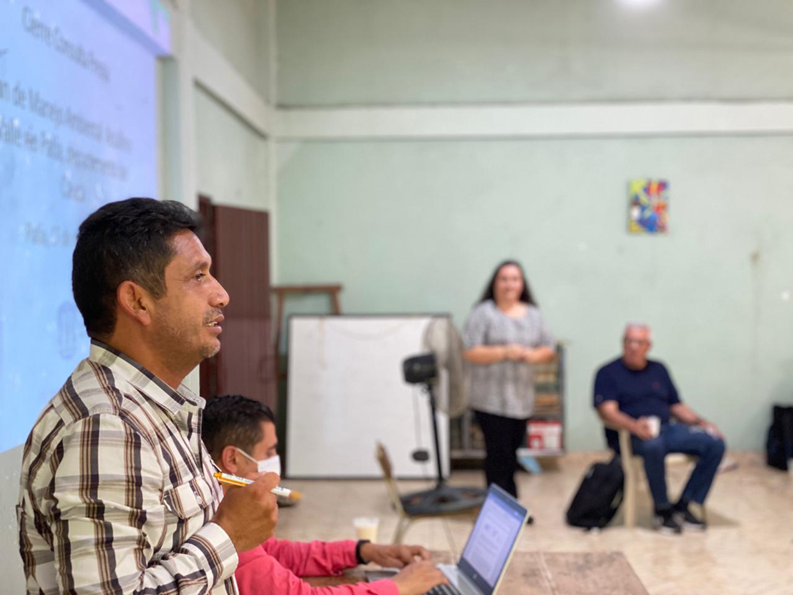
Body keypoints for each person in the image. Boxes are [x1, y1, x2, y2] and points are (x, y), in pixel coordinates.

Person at [17, 198, 279, 594]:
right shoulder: (108, 426)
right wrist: (229, 534)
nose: (221, 295)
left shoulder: (153, 408)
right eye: (198, 277)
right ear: (137, 301)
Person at [202, 395, 448, 595]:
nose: (275, 462)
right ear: (232, 459)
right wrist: (398, 587)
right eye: (270, 451)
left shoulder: (221, 508)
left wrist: (363, 551)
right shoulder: (224, 529)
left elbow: (276, 553)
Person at [594, 323, 726, 534]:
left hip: (666, 429)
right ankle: (662, 510)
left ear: (648, 346)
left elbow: (676, 405)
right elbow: (607, 411)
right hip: (630, 434)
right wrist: (633, 425)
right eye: (629, 341)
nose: (633, 347)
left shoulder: (659, 369)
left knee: (715, 443)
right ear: (623, 343)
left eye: (639, 342)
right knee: (653, 446)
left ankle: (685, 505)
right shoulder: (608, 372)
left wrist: (702, 423)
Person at [462, 260, 556, 498]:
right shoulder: (483, 313)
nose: (509, 284)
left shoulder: (533, 314)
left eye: (514, 279)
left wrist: (532, 355)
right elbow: (470, 351)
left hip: (521, 399)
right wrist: (504, 352)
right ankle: (502, 506)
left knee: (511, 454)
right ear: (495, 283)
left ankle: (507, 505)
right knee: (498, 455)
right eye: (504, 279)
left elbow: (549, 347)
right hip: (490, 400)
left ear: (522, 284)